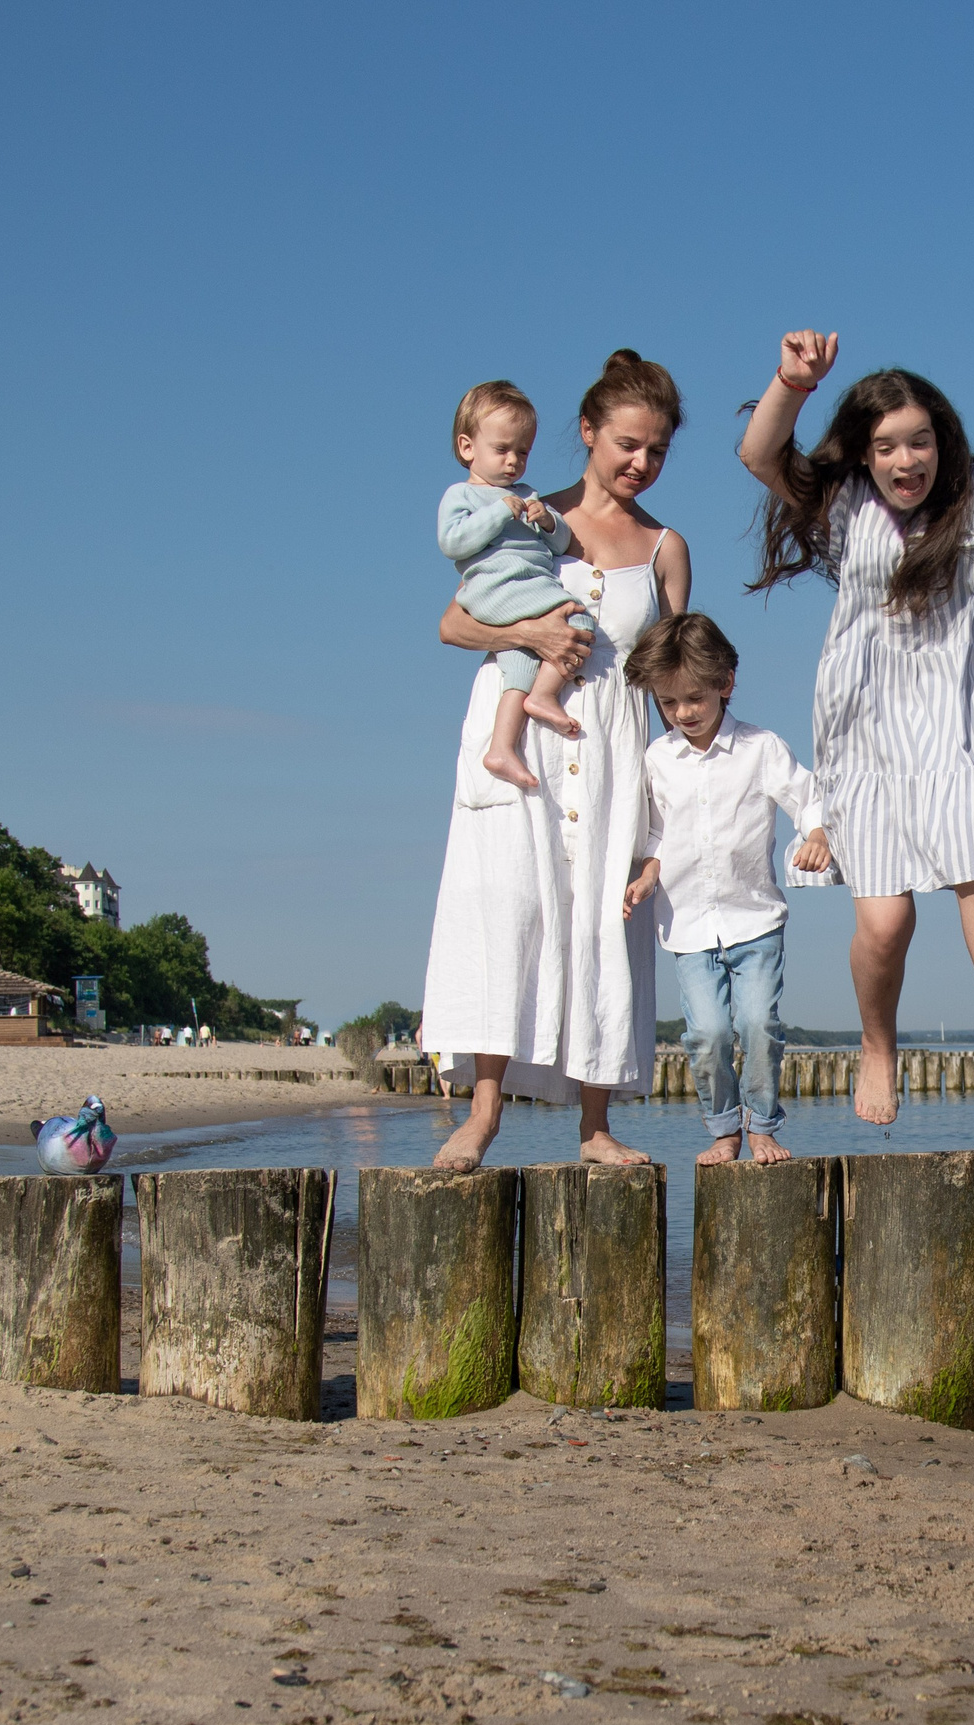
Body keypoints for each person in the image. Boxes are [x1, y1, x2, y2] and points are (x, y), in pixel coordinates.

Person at [739, 332, 974, 1126]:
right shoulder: (846, 506)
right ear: (865, 456)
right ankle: (878, 1047)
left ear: (942, 440)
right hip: (864, 734)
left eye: (920, 441)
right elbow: (759, 453)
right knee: (886, 920)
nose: (907, 460)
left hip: (958, 720)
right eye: (887, 447)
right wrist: (792, 383)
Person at [419, 350, 694, 1170]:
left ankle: (596, 1126)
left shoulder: (665, 547)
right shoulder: (527, 514)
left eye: (656, 452)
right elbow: (453, 623)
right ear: (588, 432)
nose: (640, 464)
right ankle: (483, 1114)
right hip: (521, 737)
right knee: (508, 913)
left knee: (602, 925)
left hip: (612, 743)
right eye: (627, 444)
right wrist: (528, 635)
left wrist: (683, 789)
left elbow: (672, 675)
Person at [620, 613, 832, 1166]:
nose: (683, 712)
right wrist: (646, 874)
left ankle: (761, 1124)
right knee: (709, 1033)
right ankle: (723, 1129)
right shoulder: (657, 760)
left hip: (754, 917)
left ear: (725, 683)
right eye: (668, 703)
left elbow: (807, 796)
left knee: (758, 1023)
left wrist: (815, 833)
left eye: (694, 697)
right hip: (687, 922)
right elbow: (658, 831)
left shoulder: (761, 747)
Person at [438, 381, 592, 790]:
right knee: (578, 620)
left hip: (526, 586)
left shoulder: (526, 495)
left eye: (522, 452)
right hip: (497, 587)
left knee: (520, 661)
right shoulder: (464, 495)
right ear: (468, 447)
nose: (513, 461)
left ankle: (502, 747)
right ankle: (543, 698)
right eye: (502, 449)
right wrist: (499, 515)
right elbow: (452, 542)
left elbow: (561, 543)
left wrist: (547, 520)